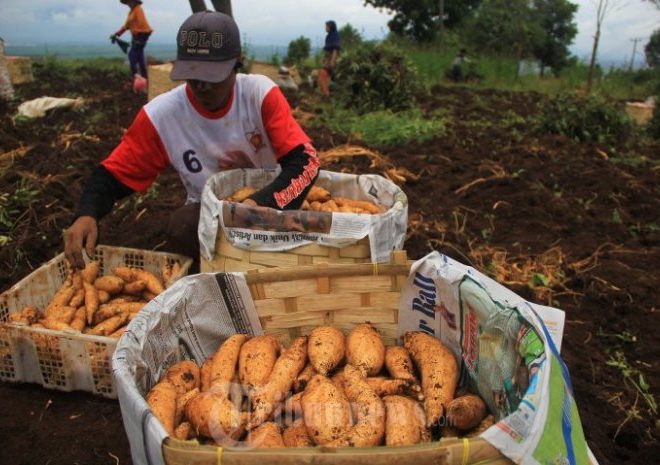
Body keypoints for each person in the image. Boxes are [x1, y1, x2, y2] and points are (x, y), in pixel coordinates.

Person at [64, 11, 320, 269]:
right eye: (193, 76)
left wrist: (257, 206)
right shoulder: (162, 116)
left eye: (212, 76)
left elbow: (306, 162)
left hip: (274, 205)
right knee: (182, 227)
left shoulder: (259, 94)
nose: (202, 86)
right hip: (211, 216)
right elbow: (113, 175)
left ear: (236, 64)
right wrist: (87, 213)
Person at [111, 0, 153, 80]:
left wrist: (140, 37)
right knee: (140, 58)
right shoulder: (131, 12)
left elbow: (142, 24)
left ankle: (136, 77)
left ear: (134, 2)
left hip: (141, 36)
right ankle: (144, 79)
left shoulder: (138, 10)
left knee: (132, 55)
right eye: (127, 2)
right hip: (136, 37)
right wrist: (117, 34)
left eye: (129, 2)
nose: (128, 4)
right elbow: (126, 26)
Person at [318, 20, 340, 96]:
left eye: (327, 26)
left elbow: (335, 49)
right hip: (328, 59)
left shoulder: (335, 35)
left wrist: (332, 62)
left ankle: (326, 93)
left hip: (333, 59)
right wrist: (324, 60)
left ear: (331, 27)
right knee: (324, 73)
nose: (325, 28)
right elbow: (327, 51)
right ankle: (326, 92)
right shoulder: (328, 36)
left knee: (323, 73)